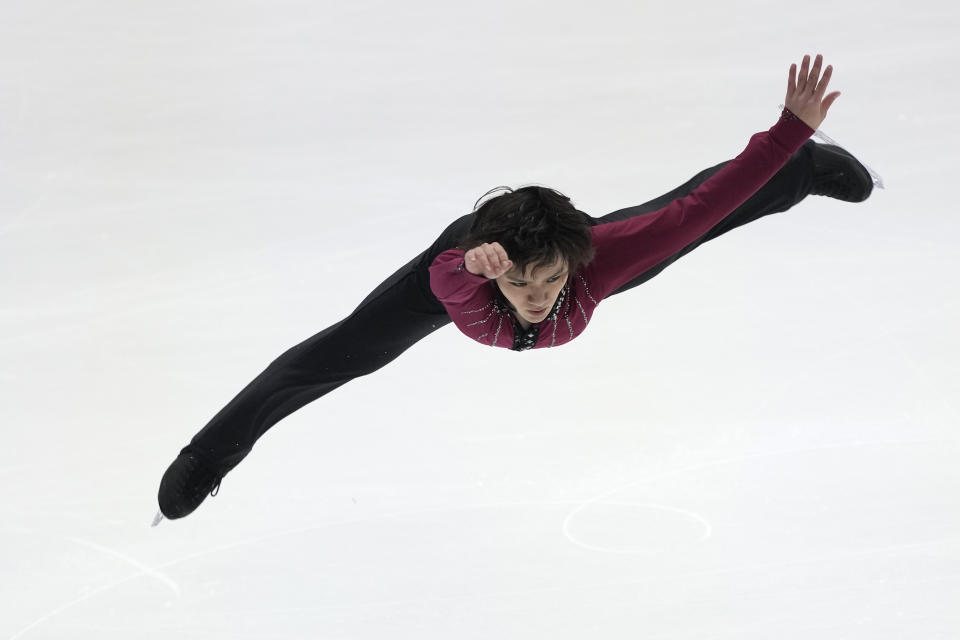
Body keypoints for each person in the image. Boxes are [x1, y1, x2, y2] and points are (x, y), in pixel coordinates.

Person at [157, 54, 874, 521]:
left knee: (684, 227)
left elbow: (704, 203)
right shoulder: (466, 284)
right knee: (341, 354)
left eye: (549, 284)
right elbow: (448, 281)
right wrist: (473, 268)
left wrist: (788, 137)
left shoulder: (595, 261)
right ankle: (205, 458)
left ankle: (806, 172)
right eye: (526, 287)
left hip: (563, 249)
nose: (537, 300)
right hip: (465, 268)